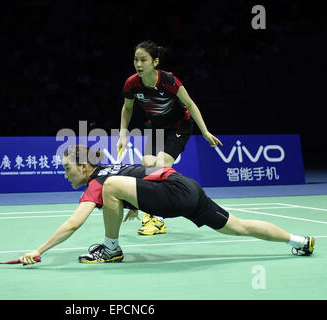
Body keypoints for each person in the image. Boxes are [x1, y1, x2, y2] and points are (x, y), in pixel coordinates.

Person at [19, 145, 315, 265]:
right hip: (188, 187)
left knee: (112, 188)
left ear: (84, 167)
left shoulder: (101, 181)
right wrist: (134, 201)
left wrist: (38, 251)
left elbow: (74, 223)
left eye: (67, 169)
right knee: (239, 226)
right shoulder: (115, 170)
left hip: (173, 194)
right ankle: (301, 240)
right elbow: (148, 168)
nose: (65, 174)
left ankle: (111, 249)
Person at [116, 40, 222, 235]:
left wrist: (205, 131)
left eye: (143, 60)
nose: (138, 64)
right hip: (156, 127)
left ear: (155, 62)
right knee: (148, 164)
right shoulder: (132, 83)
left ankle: (158, 219)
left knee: (162, 163)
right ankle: (151, 210)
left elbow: (190, 104)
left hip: (180, 126)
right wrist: (123, 133)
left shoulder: (169, 81)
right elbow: (127, 108)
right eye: (135, 60)